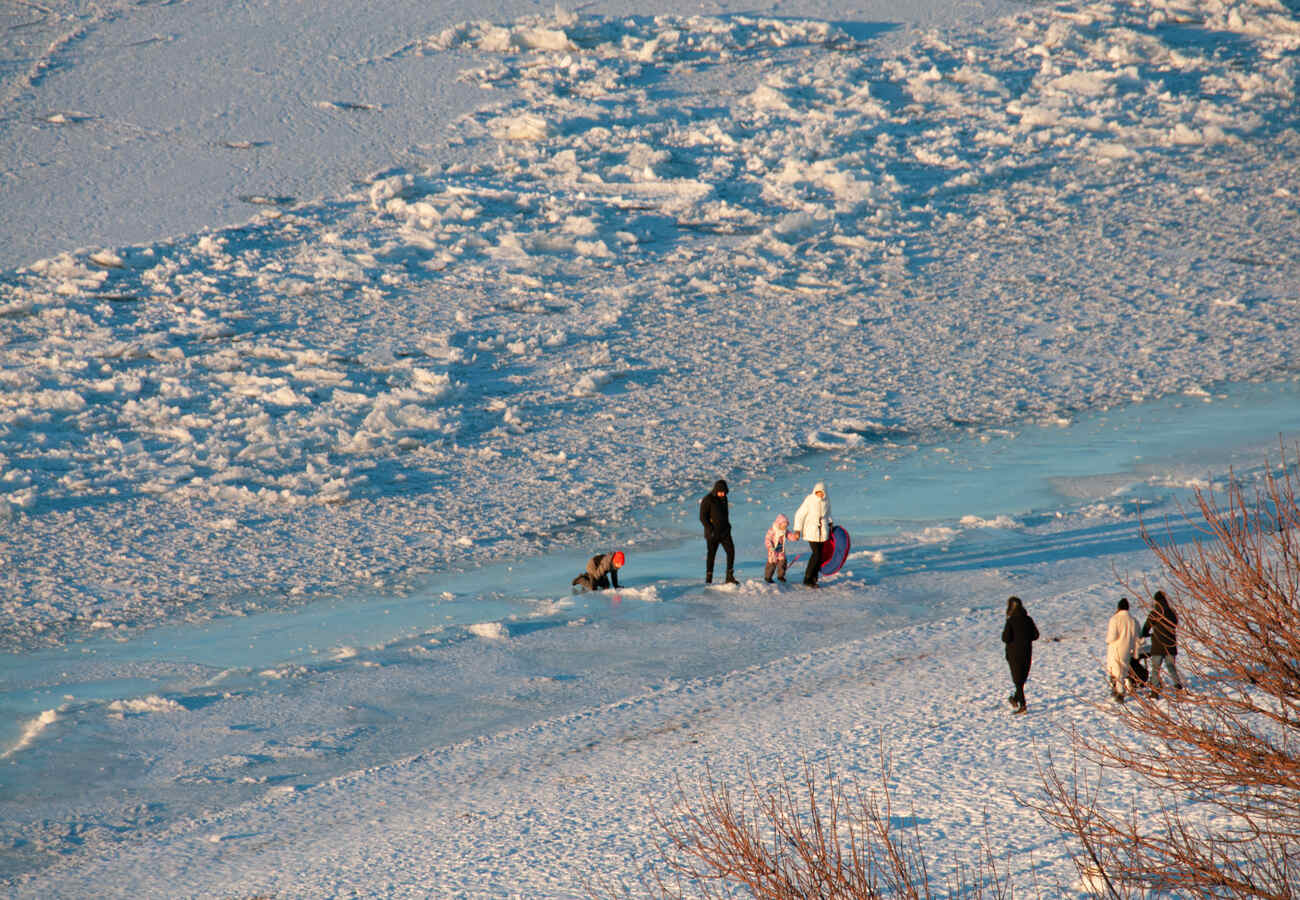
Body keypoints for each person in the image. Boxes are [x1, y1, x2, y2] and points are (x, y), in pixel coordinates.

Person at [1001, 595, 1039, 714]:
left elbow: (1006, 638)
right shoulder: (1028, 619)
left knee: (1017, 680)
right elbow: (1035, 635)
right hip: (1027, 652)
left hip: (1013, 653)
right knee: (1021, 678)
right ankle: (1015, 698)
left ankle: (1022, 706)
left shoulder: (1011, 621)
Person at [1142, 590, 1184, 695]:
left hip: (1158, 645)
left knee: (1156, 669)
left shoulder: (1155, 613)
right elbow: (1175, 624)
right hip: (1170, 644)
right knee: (1171, 667)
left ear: (1156, 601)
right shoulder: (1172, 612)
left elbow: (1146, 628)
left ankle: (1155, 691)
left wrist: (1146, 634)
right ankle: (1178, 687)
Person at [792, 482, 832, 587]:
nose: (820, 494)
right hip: (811, 531)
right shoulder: (809, 500)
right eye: (818, 492)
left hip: (822, 532)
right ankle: (808, 578)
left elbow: (828, 514)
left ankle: (814, 577)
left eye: (821, 492)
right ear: (815, 492)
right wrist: (797, 530)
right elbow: (800, 514)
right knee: (816, 554)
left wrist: (831, 524)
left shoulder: (826, 501)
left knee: (819, 555)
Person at [699, 480, 737, 584]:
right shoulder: (708, 500)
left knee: (731, 552)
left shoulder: (724, 499)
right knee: (711, 555)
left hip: (725, 532)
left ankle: (729, 576)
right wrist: (710, 530)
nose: (722, 494)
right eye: (720, 492)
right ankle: (709, 578)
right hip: (712, 534)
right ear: (716, 490)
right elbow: (703, 517)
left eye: (724, 492)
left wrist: (728, 526)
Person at [1106, 597, 1140, 702]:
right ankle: (1124, 689)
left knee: (1116, 671)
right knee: (1123, 670)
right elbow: (1137, 637)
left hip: (1115, 649)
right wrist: (1136, 652)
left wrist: (1107, 640)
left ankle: (1119, 693)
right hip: (1127, 649)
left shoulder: (1115, 619)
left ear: (1119, 607)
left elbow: (1112, 636)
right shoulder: (1133, 620)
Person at [763, 514, 795, 583]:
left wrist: (794, 537)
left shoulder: (785, 531)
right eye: (784, 526)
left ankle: (781, 576)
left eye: (786, 526)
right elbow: (767, 539)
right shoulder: (772, 530)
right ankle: (768, 577)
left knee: (782, 562)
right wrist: (770, 547)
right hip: (773, 551)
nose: (785, 528)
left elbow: (789, 535)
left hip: (781, 550)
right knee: (772, 564)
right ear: (779, 524)